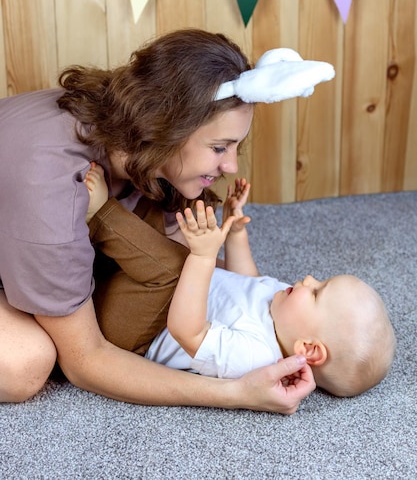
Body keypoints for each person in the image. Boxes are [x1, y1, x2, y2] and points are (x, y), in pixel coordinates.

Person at [0, 28, 335, 410]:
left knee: (187, 258)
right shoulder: (54, 192)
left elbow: (215, 278)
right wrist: (237, 393)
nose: (230, 165)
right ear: (167, 129)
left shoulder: (133, 127)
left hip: (28, 221)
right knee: (26, 361)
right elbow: (85, 360)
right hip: (33, 216)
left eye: (235, 146)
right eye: (218, 147)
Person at [86, 167, 396, 398]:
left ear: (309, 348)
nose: (309, 279)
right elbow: (247, 281)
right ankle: (108, 220)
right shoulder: (283, 306)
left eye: (316, 292)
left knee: (175, 265)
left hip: (140, 330)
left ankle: (99, 213)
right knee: (173, 222)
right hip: (149, 294)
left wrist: (204, 258)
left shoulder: (256, 356)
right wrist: (235, 232)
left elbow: (186, 330)